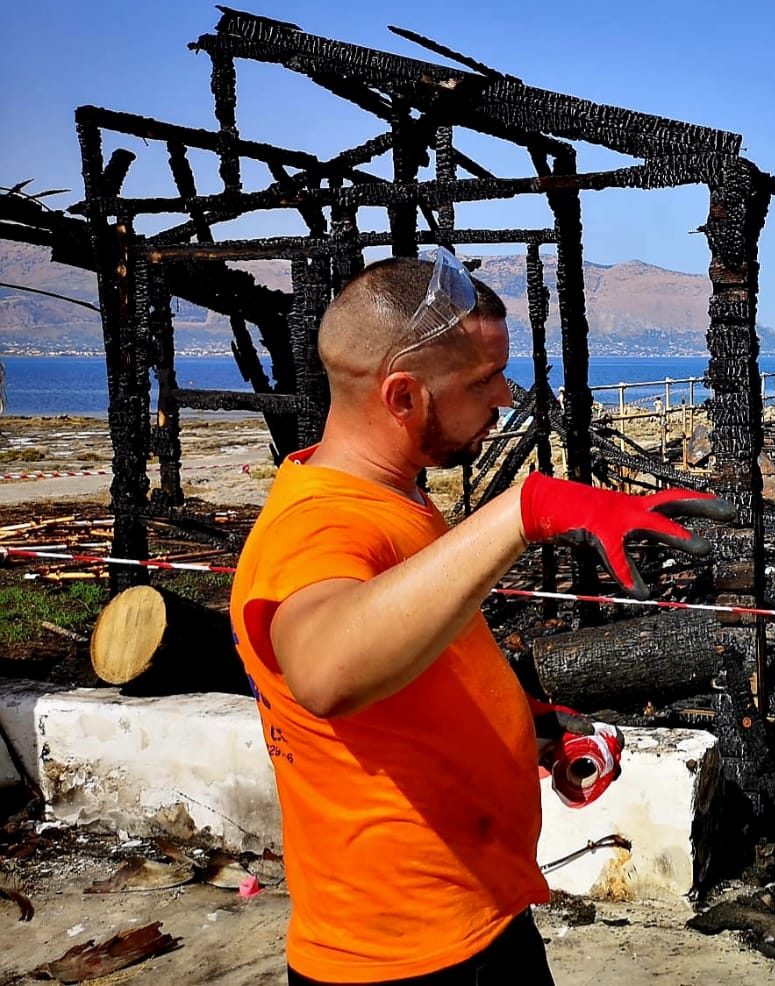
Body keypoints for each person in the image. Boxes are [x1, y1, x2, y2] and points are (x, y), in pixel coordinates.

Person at [229, 250, 731, 985]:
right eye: (481, 380)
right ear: (403, 397)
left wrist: (523, 725)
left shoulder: (392, 495)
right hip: (400, 958)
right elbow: (325, 670)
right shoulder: (317, 526)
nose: (505, 395)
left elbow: (410, 659)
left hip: (475, 918)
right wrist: (521, 512)